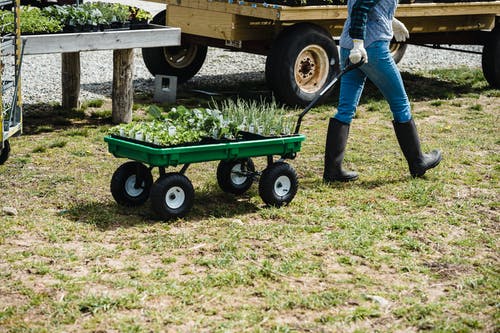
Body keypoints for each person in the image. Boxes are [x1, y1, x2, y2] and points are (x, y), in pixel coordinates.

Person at [323, 0, 442, 182]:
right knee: (400, 103)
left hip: (348, 47)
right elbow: (360, 7)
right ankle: (418, 161)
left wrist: (391, 21)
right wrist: (359, 44)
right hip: (370, 48)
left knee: (345, 108)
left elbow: (370, 7)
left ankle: (332, 170)